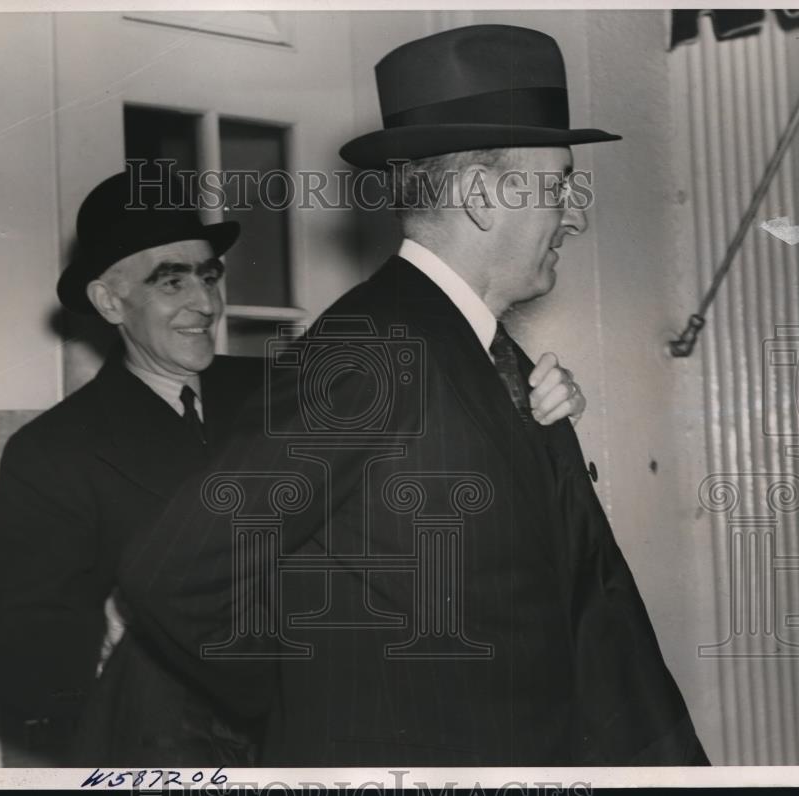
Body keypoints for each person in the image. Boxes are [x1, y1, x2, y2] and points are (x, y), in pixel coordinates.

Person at [119, 25, 696, 767]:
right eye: (558, 186)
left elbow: (575, 593)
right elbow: (175, 573)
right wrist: (310, 698)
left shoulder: (484, 349)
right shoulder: (372, 350)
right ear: (484, 196)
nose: (574, 214)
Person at [0, 171, 265, 766]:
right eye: (172, 281)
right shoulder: (52, 451)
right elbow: (29, 665)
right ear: (109, 302)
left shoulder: (279, 396)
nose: (205, 303)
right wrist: (118, 619)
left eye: (209, 275)